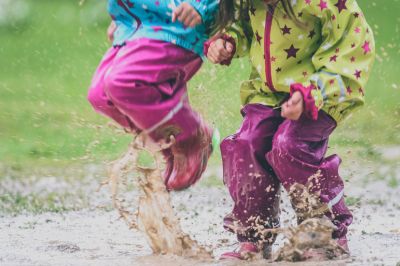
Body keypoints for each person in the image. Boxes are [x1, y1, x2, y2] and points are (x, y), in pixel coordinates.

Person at [205, 0, 375, 259]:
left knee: (289, 145)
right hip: (269, 93)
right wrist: (228, 40)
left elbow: (349, 54)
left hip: (323, 92)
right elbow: (243, 24)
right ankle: (256, 235)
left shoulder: (327, 4)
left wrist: (311, 93)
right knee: (245, 145)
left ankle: (326, 233)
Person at [87, 0, 219, 191]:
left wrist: (200, 5)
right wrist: (124, 14)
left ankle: (192, 135)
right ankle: (169, 141)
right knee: (99, 96)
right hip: (135, 26)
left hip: (175, 26)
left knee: (121, 83)